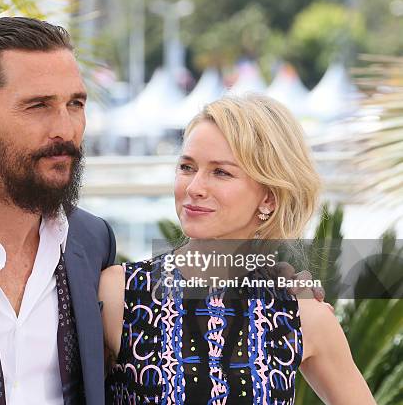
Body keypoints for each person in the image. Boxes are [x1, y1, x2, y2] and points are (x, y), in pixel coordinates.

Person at [0, 18, 320, 405]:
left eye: (76, 104)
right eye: (38, 106)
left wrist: (268, 275)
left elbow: (175, 284)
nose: (65, 128)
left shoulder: (93, 245)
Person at [99, 95, 376, 404]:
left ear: (269, 198)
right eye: (187, 167)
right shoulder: (119, 293)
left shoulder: (303, 315)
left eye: (221, 172)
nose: (194, 188)